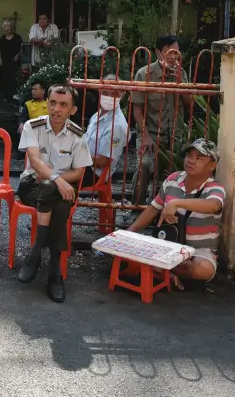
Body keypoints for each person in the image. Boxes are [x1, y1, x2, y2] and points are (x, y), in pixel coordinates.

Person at [16, 85, 92, 303]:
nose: (56, 109)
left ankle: (37, 254)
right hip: (31, 185)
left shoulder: (78, 135)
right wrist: (57, 179)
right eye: (52, 103)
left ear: (73, 110)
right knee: (52, 190)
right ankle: (55, 274)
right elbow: (36, 163)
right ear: (47, 102)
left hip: (57, 189)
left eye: (63, 105)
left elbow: (78, 172)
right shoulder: (33, 126)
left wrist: (56, 182)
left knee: (58, 203)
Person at [127, 138, 224, 288]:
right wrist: (129, 233)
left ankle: (158, 270)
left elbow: (214, 205)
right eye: (189, 156)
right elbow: (153, 209)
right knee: (125, 251)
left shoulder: (214, 188)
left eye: (199, 158)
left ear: (212, 165)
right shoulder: (173, 179)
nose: (191, 161)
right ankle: (166, 274)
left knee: (203, 269)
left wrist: (176, 203)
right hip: (167, 246)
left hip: (197, 252)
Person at [131, 35, 194, 209]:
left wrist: (181, 83)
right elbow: (137, 108)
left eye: (176, 52)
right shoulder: (144, 74)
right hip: (150, 133)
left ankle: (161, 209)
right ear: (159, 53)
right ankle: (136, 206)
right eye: (169, 52)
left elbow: (190, 105)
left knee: (171, 172)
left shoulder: (181, 73)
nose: (174, 57)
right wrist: (144, 136)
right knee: (144, 164)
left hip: (175, 135)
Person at [82, 75, 128, 187]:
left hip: (93, 173)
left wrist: (75, 158)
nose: (109, 97)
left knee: (55, 175)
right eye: (105, 92)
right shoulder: (97, 115)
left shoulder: (117, 125)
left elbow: (102, 162)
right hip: (83, 164)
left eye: (115, 94)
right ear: (99, 90)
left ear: (122, 94)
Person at [0, 19, 23, 101]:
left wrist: (18, 55)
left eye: (8, 27)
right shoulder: (2, 39)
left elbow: (21, 48)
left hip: (14, 61)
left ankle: (13, 97)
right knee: (5, 79)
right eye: (4, 27)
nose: (6, 29)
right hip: (5, 61)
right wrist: (0, 59)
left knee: (14, 79)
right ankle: (6, 97)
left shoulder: (17, 38)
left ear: (11, 27)